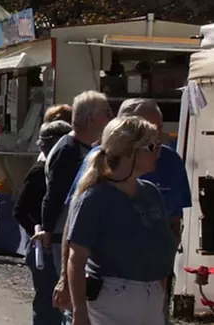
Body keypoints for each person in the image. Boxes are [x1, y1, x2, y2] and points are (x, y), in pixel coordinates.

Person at [66, 115, 176, 325]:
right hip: (113, 300)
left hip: (153, 297)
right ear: (128, 152)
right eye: (152, 147)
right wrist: (79, 311)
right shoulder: (94, 198)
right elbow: (76, 259)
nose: (158, 153)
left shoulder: (151, 193)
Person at [45, 91, 112, 313]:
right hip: (62, 236)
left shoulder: (86, 148)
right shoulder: (69, 150)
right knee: (70, 303)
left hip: (76, 236)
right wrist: (47, 230)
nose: (110, 117)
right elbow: (55, 196)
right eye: (106, 112)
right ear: (92, 117)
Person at [14, 118, 73, 325]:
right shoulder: (40, 172)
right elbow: (20, 210)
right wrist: (40, 233)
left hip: (57, 245)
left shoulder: (59, 169)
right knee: (48, 307)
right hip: (44, 248)